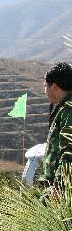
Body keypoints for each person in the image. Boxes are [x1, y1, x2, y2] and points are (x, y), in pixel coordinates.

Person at [39, 62, 72, 192]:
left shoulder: (68, 110)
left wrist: (59, 186)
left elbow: (69, 150)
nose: (45, 91)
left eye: (45, 86)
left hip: (61, 189)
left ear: (54, 87)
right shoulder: (62, 108)